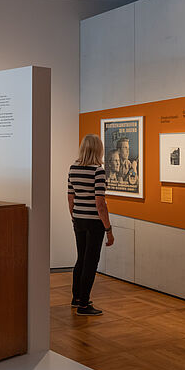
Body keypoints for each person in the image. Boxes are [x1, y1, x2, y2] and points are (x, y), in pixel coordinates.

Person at [68, 135, 114, 316]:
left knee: (81, 258)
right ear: (98, 149)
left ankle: (77, 297)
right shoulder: (98, 171)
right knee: (91, 261)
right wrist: (108, 229)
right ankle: (84, 305)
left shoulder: (73, 168)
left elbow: (70, 197)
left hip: (78, 219)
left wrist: (74, 217)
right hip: (94, 222)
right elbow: (100, 203)